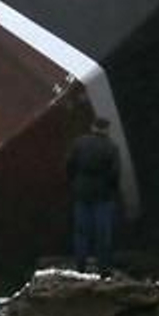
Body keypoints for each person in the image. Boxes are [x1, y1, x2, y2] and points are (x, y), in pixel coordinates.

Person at [65, 116, 121, 276]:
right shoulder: (111, 147)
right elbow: (115, 173)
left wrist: (74, 183)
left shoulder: (79, 143)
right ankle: (103, 268)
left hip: (82, 192)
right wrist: (112, 192)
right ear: (107, 129)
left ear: (92, 127)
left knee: (81, 232)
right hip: (103, 195)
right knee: (102, 233)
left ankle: (80, 265)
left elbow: (69, 164)